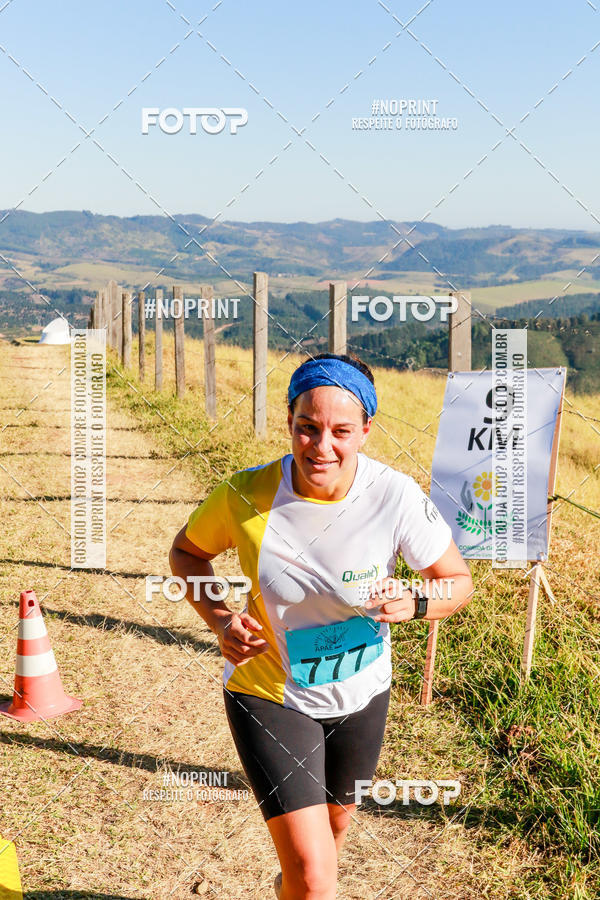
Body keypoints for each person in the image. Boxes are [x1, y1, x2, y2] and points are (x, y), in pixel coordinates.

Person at [169, 352, 474, 900]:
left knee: (332, 834)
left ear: (365, 432)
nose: (321, 447)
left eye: (340, 431)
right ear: (289, 422)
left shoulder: (395, 494)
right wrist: (219, 618)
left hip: (363, 692)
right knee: (315, 879)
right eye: (307, 428)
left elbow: (456, 581)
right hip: (270, 693)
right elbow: (187, 553)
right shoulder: (246, 494)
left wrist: (418, 600)